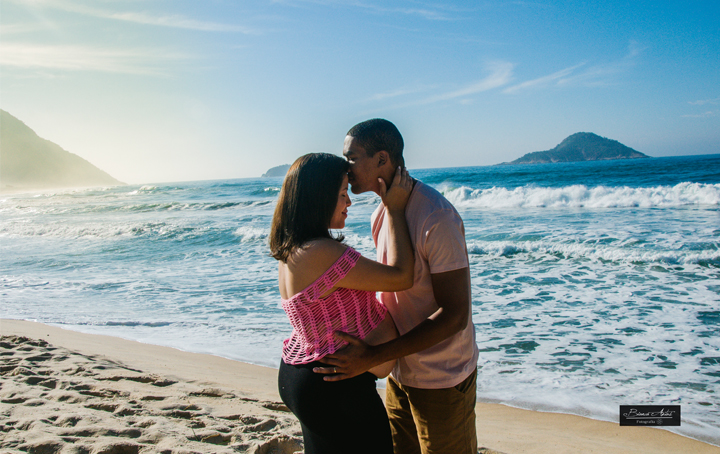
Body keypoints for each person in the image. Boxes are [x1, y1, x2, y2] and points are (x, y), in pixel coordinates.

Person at [314, 119, 479, 454]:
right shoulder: (384, 211)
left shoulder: (436, 216)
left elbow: (455, 315)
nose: (345, 168)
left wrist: (374, 355)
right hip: (399, 371)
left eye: (351, 158)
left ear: (382, 159)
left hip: (441, 377)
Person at [269, 152, 414, 454]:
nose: (348, 202)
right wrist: (395, 210)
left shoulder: (294, 250)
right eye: (341, 194)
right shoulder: (320, 252)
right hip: (334, 386)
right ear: (318, 199)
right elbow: (402, 276)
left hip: (311, 377)